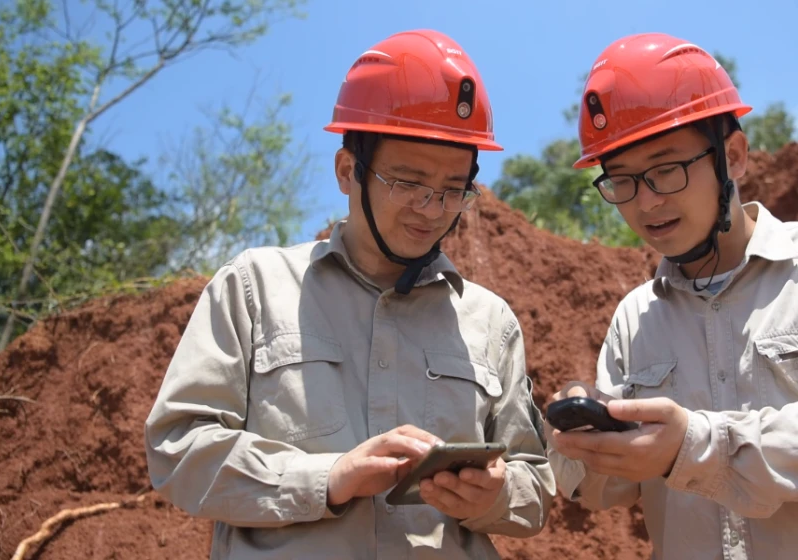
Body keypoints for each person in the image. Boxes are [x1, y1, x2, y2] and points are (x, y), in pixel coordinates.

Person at [144, 29, 554, 560]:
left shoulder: (490, 322)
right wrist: (328, 478)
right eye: (408, 183)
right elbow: (178, 449)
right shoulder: (254, 288)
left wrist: (495, 495)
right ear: (347, 171)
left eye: (454, 190)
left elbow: (534, 487)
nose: (432, 209)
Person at [546, 32, 798, 559]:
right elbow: (608, 490)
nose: (645, 202)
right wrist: (583, 440)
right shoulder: (635, 318)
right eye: (621, 181)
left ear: (733, 156)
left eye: (665, 170)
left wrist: (698, 445)